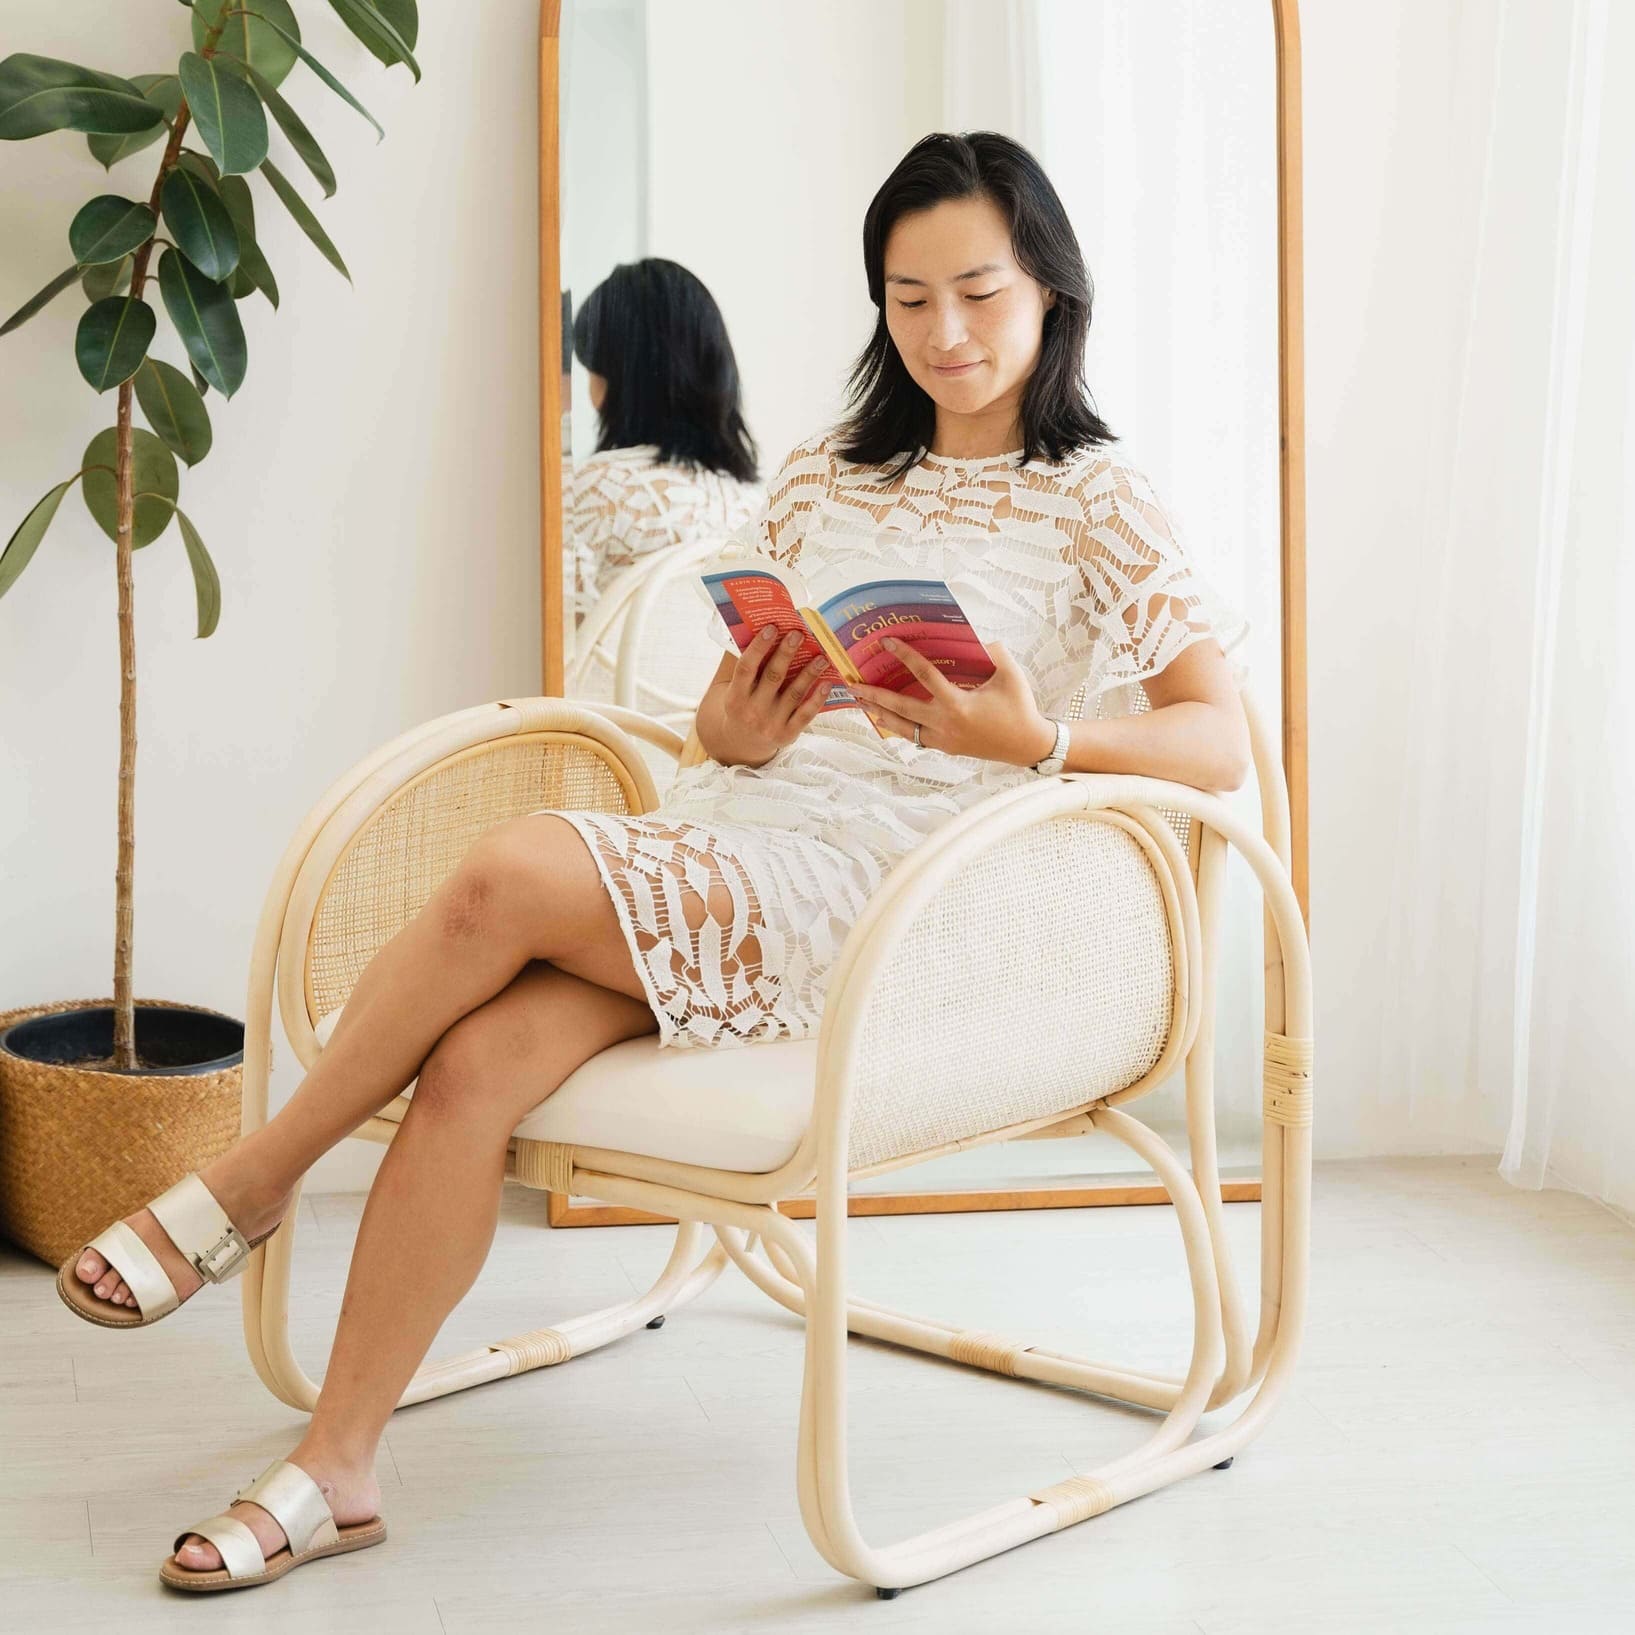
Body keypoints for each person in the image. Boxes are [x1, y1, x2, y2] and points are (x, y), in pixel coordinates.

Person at [61, 131, 1251, 1591]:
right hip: (732, 839)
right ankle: (339, 1462)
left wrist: (1037, 738)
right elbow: (731, 707)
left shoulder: (1096, 496)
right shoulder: (823, 475)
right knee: (480, 1059)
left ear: (1051, 290)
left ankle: (250, 1181)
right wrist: (731, 724)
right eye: (907, 297)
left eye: (978, 293)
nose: (943, 333)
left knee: (504, 872)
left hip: (878, 900)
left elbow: (1215, 740)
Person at [565, 257, 764, 638]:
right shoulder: (750, 505)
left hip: (599, 699)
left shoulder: (595, 490)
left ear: (620, 377)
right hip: (712, 699)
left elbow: (558, 646)